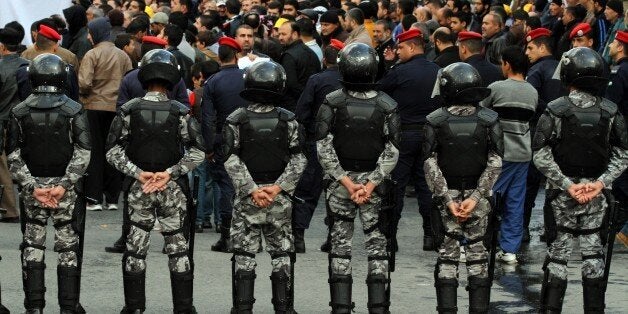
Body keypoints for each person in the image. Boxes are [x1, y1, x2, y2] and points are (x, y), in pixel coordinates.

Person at [106, 49, 205, 313]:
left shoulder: (128, 110)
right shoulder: (181, 111)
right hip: (171, 187)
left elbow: (112, 150)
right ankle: (183, 308)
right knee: (178, 249)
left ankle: (134, 307)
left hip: (140, 186)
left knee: (135, 249)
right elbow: (197, 151)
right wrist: (171, 173)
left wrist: (138, 173)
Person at [533, 47, 628, 313]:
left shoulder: (555, 110)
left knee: (558, 256)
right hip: (596, 194)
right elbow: (623, 154)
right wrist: (599, 184)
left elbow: (540, 153)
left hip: (562, 194)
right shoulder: (611, 112)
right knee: (593, 255)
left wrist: (566, 184)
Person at [316, 43, 400, 313]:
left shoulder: (332, 102)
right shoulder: (387, 105)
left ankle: (340, 307)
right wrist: (371, 183)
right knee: (377, 246)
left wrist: (346, 181)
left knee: (340, 245)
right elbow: (393, 149)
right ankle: (378, 307)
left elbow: (323, 147)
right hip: (372, 186)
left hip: (343, 186)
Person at [7, 53, 91, 314]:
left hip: (35, 189)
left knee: (32, 247)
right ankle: (68, 306)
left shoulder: (19, 112)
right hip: (63, 190)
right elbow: (84, 151)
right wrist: (65, 184)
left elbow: (12, 154)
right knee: (68, 247)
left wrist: (32, 186)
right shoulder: (73, 110)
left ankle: (34, 307)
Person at [223, 60, 306, 313]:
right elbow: (299, 158)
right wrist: (278, 188)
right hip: (278, 199)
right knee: (282, 255)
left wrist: (251, 189)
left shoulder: (236, 119)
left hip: (249, 198)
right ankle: (284, 308)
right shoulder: (289, 120)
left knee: (244, 256)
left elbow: (230, 157)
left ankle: (242, 308)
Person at [423, 62, 503, 314]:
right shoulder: (489, 120)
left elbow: (430, 162)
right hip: (477, 199)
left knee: (447, 256)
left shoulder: (435, 121)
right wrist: (478, 196)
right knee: (478, 255)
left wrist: (447, 198)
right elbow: (496, 161)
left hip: (448, 198)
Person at [378, 28, 441, 251]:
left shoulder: (400, 71)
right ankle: (430, 235)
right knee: (426, 185)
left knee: (396, 184)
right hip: (428, 134)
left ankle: (390, 237)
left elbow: (381, 93)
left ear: (412, 46)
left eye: (401, 47)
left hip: (403, 134)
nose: (397, 51)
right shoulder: (437, 70)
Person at [483, 46, 538, 263]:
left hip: (500, 153)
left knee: (487, 196)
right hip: (523, 153)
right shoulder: (532, 91)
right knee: (515, 202)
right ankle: (510, 250)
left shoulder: (496, 88)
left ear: (507, 64)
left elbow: (482, 113)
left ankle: (472, 242)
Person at [294, 39, 344, 253]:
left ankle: (298, 236)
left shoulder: (316, 80)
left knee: (307, 190)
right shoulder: (348, 81)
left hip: (317, 141)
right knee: (338, 190)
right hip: (342, 143)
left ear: (324, 60)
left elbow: (302, 112)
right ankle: (335, 237)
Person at [79, 17, 133, 211]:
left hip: (94, 107)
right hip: (116, 108)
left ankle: (93, 197)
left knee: (95, 151)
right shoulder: (122, 56)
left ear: (96, 33)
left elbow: (84, 83)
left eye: (90, 32)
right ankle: (112, 198)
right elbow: (129, 80)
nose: (88, 36)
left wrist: (87, 94)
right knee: (113, 150)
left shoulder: (91, 55)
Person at [202, 37, 248, 253]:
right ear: (237, 55)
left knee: (225, 186)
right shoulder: (247, 78)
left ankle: (226, 235)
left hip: (222, 140)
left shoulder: (212, 82)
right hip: (247, 138)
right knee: (247, 186)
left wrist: (209, 147)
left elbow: (208, 118)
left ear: (219, 57)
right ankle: (245, 234)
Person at [0, 27, 29, 223]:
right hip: (26, 121)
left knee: (3, 166)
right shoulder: (30, 66)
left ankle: (10, 209)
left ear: (2, 46)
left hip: (3, 120)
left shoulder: (1, 67)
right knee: (25, 164)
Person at [277, 21, 321, 112]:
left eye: (284, 34)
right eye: (279, 34)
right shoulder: (312, 52)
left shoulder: (289, 56)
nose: (280, 37)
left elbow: (290, 84)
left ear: (295, 34)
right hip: (310, 105)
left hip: (293, 108)